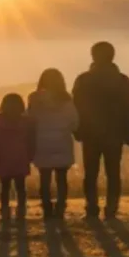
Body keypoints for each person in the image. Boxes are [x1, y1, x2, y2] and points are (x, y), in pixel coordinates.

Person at [72, 41, 129, 220]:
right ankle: (111, 210)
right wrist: (127, 132)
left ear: (93, 56)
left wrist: (77, 131)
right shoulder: (122, 80)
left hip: (90, 135)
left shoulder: (83, 79)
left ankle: (92, 208)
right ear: (112, 56)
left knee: (90, 174)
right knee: (113, 173)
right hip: (115, 135)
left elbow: (76, 107)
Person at [27, 68, 79, 219]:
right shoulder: (66, 99)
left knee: (45, 177)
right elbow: (75, 122)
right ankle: (61, 207)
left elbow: (29, 119)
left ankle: (47, 207)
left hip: (42, 142)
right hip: (62, 142)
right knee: (61, 178)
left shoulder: (34, 98)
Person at [0, 93, 35, 222]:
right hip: (20, 156)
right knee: (20, 187)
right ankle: (21, 210)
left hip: (3, 158)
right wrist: (31, 155)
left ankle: (5, 210)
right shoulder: (25, 121)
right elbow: (30, 140)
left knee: (5, 187)